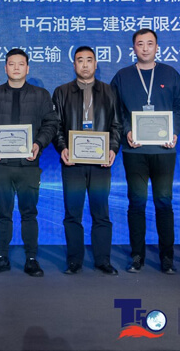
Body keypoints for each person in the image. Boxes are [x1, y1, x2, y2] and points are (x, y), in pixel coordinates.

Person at [111, 29, 180, 274]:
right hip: (134, 151)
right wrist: (127, 131)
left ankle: (167, 258)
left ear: (157, 47)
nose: (145, 48)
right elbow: (115, 110)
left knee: (164, 202)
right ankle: (137, 256)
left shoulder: (170, 73)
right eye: (140, 44)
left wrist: (174, 131)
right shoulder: (122, 76)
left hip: (164, 151)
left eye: (150, 44)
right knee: (137, 203)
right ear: (133, 47)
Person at [0, 48, 58, 277]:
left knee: (29, 213)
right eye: (11, 64)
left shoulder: (41, 95)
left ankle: (31, 259)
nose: (16, 68)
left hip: (28, 165)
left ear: (27, 68)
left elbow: (51, 124)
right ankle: (1, 257)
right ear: (5, 67)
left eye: (20, 64)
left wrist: (39, 144)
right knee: (3, 213)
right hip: (0, 164)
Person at [52, 46, 121, 275]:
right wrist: (62, 148)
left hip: (100, 163)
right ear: (74, 64)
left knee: (101, 213)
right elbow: (56, 126)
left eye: (89, 60)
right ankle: (74, 261)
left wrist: (112, 149)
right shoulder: (62, 92)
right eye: (80, 60)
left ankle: (103, 260)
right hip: (72, 162)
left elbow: (117, 125)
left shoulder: (109, 91)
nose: (84, 64)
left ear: (95, 64)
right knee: (73, 213)